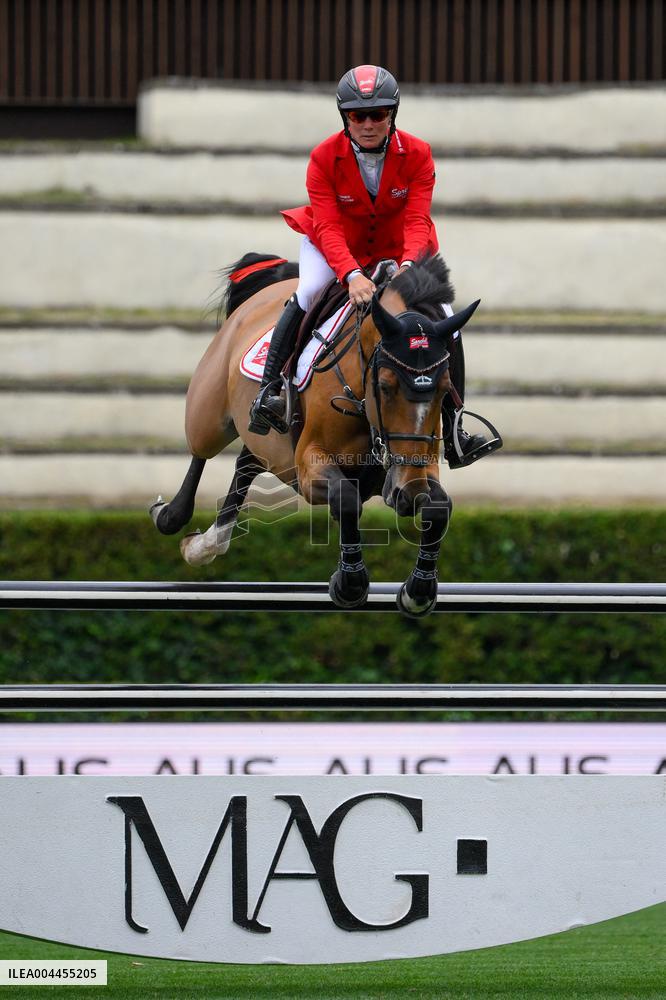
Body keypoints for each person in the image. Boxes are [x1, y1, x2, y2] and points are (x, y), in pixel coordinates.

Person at [248, 65, 491, 467]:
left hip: (401, 248)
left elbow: (417, 219)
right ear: (345, 117)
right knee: (308, 293)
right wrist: (351, 274)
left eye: (377, 114)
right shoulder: (323, 157)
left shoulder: (418, 153)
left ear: (392, 114)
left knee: (447, 317)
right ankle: (271, 390)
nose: (367, 124)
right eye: (357, 116)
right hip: (335, 245)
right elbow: (327, 226)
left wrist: (409, 265)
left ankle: (454, 427)